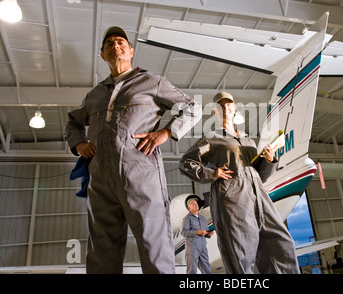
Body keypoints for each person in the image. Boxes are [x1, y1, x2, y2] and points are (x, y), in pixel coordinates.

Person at [65, 26, 201, 274]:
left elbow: (192, 107)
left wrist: (166, 132)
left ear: (130, 51)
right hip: (101, 181)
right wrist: (79, 143)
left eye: (120, 42)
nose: (114, 45)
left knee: (154, 247)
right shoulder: (94, 95)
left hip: (141, 176)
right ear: (103, 56)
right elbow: (73, 121)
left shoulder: (152, 83)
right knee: (100, 253)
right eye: (109, 44)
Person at [178, 92, 299, 274]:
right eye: (220, 105)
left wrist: (269, 160)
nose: (225, 108)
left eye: (229, 104)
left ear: (235, 108)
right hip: (232, 199)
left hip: (259, 197)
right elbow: (185, 163)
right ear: (214, 111)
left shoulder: (247, 139)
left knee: (281, 245)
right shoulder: (211, 138)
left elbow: (259, 175)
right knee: (240, 254)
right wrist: (212, 173)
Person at [181, 196, 214, 274]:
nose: (196, 205)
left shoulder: (203, 218)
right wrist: (197, 232)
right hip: (192, 248)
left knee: (207, 269)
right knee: (192, 270)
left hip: (203, 247)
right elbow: (184, 232)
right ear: (189, 207)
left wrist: (208, 234)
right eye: (193, 204)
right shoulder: (187, 218)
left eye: (196, 204)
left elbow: (205, 232)